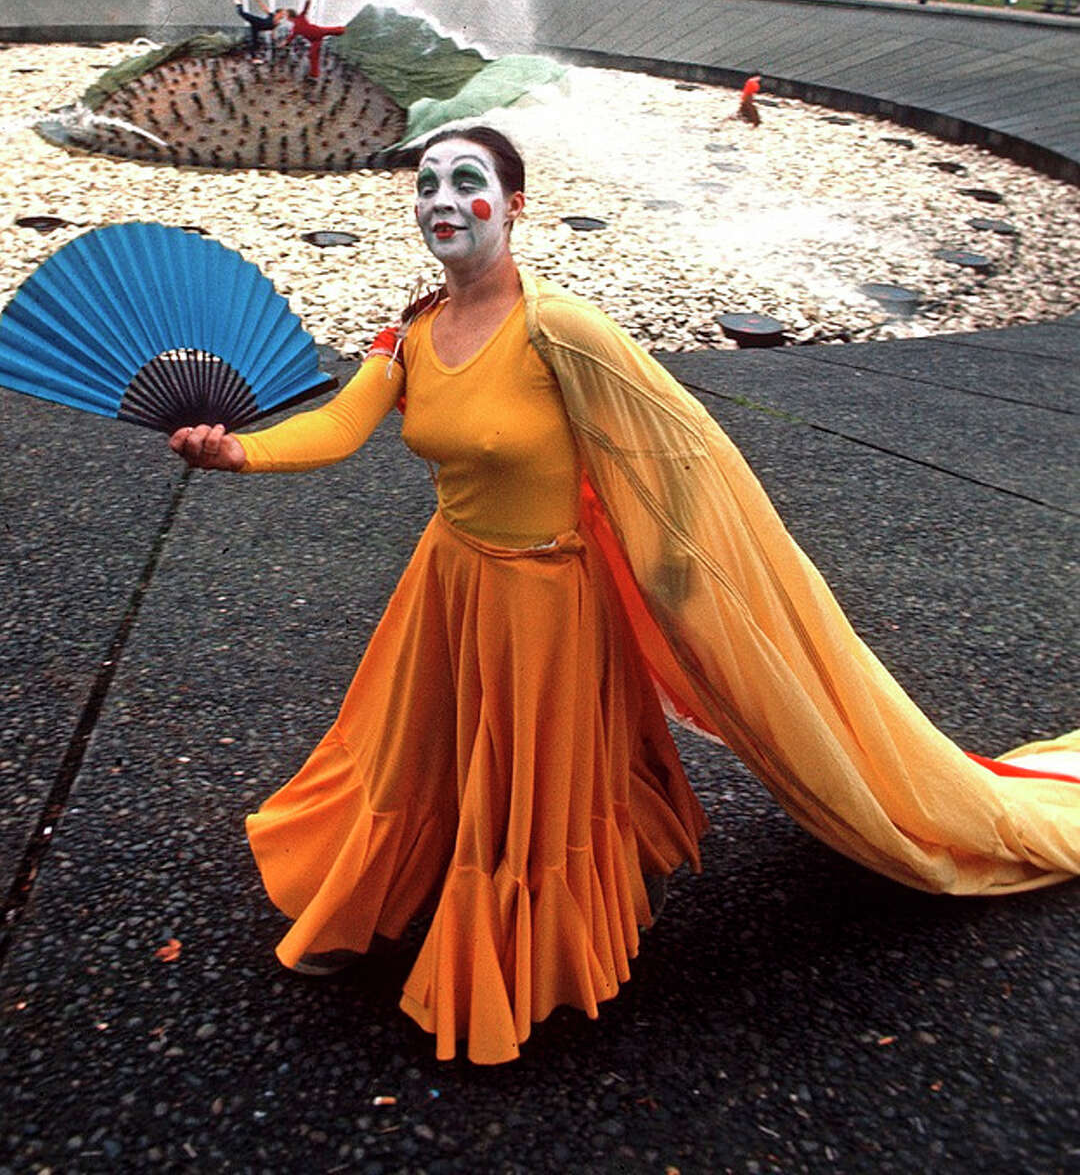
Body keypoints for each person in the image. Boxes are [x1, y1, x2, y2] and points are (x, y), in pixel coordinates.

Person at [169, 125, 1080, 1066]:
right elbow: (338, 426)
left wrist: (682, 583)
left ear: (515, 206)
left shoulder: (561, 327)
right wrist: (239, 452)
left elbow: (676, 447)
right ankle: (368, 898)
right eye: (427, 184)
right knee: (412, 755)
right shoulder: (410, 331)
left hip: (546, 603)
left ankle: (529, 949)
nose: (442, 200)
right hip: (447, 584)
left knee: (535, 790)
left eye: (467, 182)